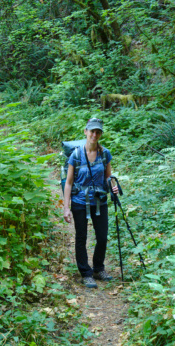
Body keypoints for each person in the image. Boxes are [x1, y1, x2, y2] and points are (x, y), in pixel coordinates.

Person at [63, 118, 119, 288]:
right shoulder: (76, 155)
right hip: (80, 201)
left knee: (102, 237)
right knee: (81, 237)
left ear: (100, 134)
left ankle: (98, 267)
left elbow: (108, 176)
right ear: (86, 132)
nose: (95, 134)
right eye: (92, 131)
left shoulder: (105, 154)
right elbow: (69, 182)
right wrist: (66, 207)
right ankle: (86, 273)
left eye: (98, 132)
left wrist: (114, 186)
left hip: (99, 200)